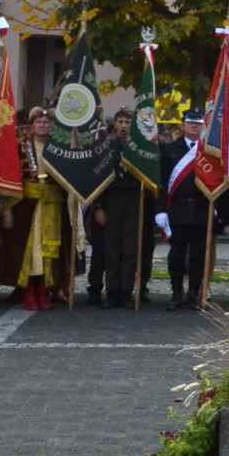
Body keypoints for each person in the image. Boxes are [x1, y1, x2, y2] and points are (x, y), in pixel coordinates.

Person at [0, 107, 68, 309]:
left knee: (49, 250)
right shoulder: (20, 147)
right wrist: (7, 211)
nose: (42, 125)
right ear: (33, 125)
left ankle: (43, 291)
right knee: (28, 250)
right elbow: (10, 179)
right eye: (38, 122)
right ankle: (28, 292)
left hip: (52, 205)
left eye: (46, 122)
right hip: (26, 206)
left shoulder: (58, 148)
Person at [156, 109, 210, 311]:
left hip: (200, 211)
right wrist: (160, 210)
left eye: (197, 123)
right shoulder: (171, 150)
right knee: (176, 254)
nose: (194, 126)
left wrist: (216, 208)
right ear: (183, 125)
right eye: (190, 123)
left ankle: (194, 293)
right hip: (177, 210)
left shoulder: (208, 151)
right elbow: (161, 182)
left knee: (198, 255)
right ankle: (176, 293)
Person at [92, 107, 142, 307]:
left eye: (127, 122)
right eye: (120, 122)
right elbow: (99, 178)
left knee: (130, 249)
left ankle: (126, 292)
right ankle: (111, 292)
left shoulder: (139, 149)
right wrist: (98, 207)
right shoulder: (107, 147)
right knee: (111, 249)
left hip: (133, 200)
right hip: (111, 200)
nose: (123, 126)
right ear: (115, 124)